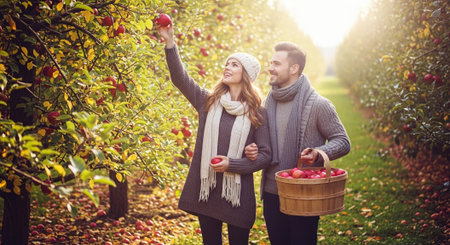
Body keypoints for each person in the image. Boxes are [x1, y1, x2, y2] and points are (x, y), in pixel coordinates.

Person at [158, 23, 272, 245]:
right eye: (227, 63)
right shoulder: (208, 101)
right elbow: (180, 79)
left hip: (238, 195)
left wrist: (232, 164)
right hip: (208, 190)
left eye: (234, 64)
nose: (227, 67)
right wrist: (170, 42)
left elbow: (265, 155)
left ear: (245, 74)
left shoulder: (258, 112)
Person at [245, 41, 351, 245]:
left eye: (276, 63)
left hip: (304, 193)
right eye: (271, 62)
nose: (270, 68)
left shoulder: (319, 105)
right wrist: (253, 149)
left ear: (294, 68)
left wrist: (319, 152)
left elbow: (343, 141)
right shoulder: (267, 104)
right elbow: (263, 144)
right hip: (272, 190)